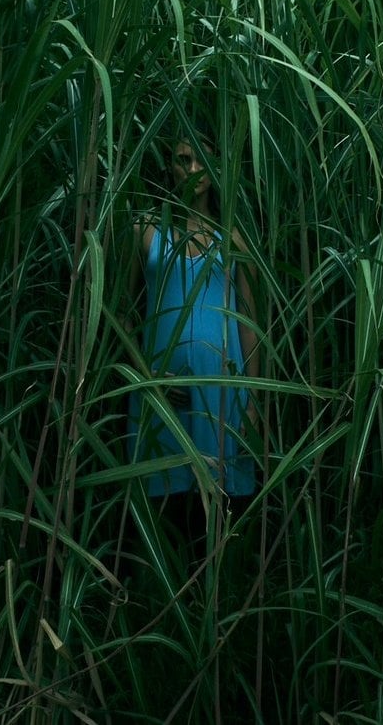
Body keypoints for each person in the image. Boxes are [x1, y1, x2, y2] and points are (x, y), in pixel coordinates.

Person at [127, 134, 261, 559]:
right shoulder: (146, 231)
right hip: (160, 395)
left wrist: (254, 403)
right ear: (169, 164)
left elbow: (249, 326)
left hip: (222, 398)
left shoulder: (233, 241)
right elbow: (120, 315)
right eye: (183, 158)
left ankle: (218, 611)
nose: (193, 170)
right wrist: (145, 376)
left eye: (203, 159)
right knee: (163, 512)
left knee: (219, 516)